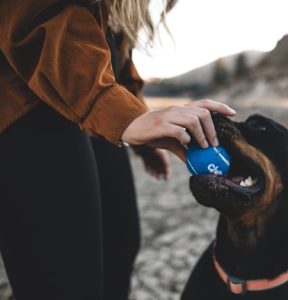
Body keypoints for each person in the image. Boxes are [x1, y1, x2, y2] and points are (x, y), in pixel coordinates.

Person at [0, 0, 236, 299]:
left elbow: (114, 50)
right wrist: (119, 113)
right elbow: (36, 15)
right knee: (67, 279)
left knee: (120, 246)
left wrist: (140, 124)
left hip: (85, 91)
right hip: (25, 100)